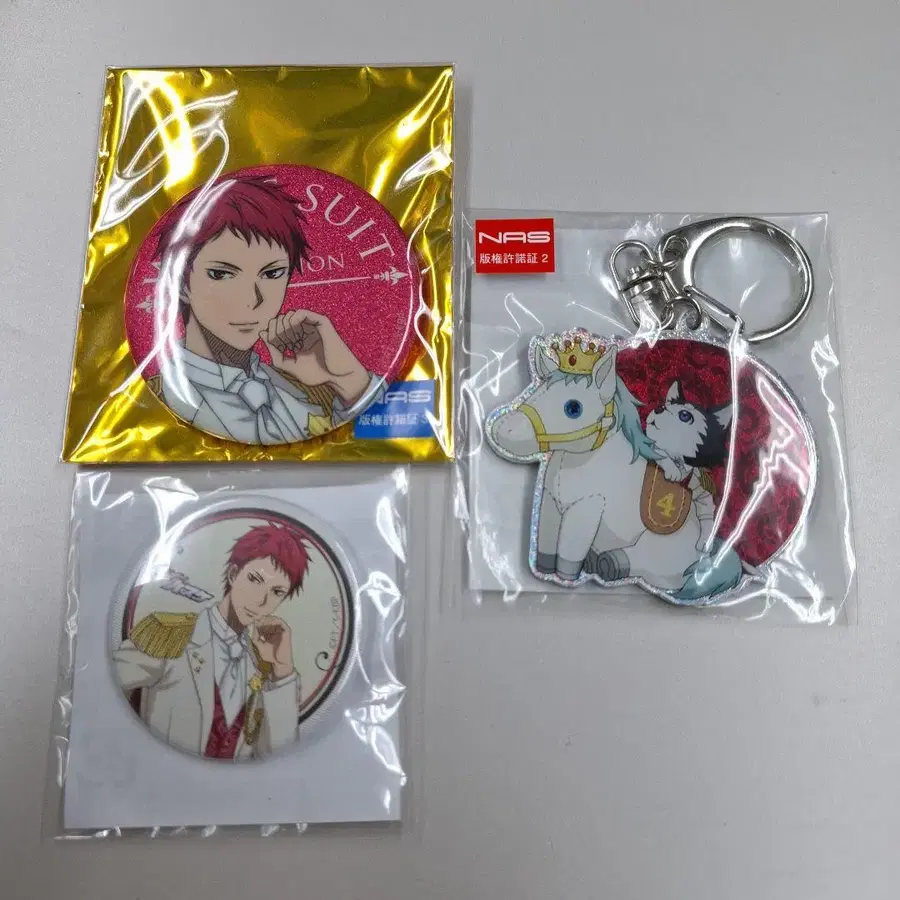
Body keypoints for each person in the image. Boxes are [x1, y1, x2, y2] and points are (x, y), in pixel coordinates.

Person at [151, 174, 380, 444]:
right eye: (221, 274)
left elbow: (386, 445)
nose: (252, 300)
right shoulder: (153, 399)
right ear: (180, 283)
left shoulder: (313, 385)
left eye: (272, 274)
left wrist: (350, 380)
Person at [114, 523, 309, 760]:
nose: (261, 600)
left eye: (277, 592)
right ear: (234, 575)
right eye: (255, 579)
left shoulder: (262, 666)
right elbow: (98, 694)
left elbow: (279, 758)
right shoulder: (169, 635)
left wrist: (282, 672)